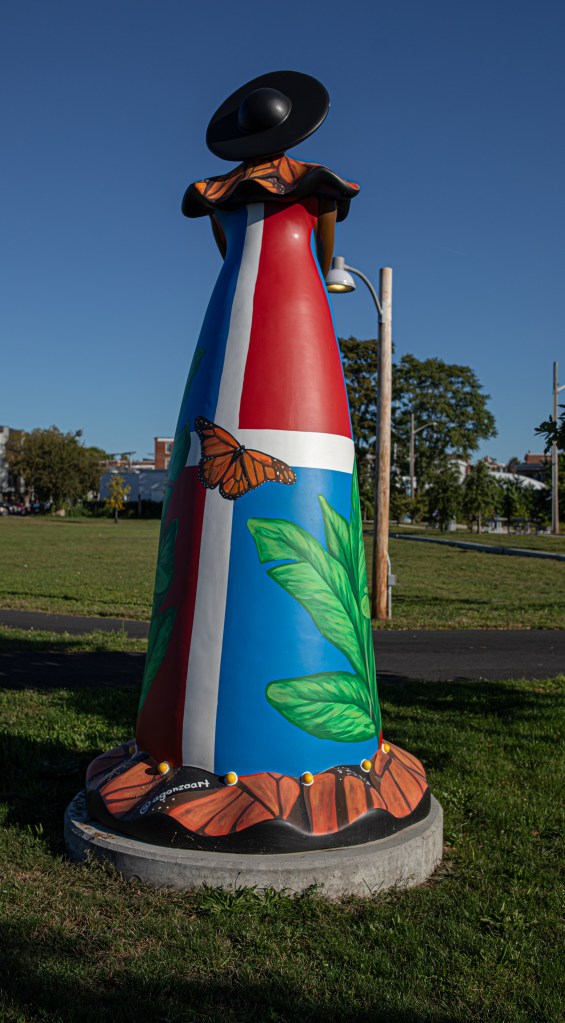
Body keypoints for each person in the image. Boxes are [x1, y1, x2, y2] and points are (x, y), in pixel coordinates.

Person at [87, 72, 430, 851]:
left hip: (236, 338)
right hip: (296, 332)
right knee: (277, 516)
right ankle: (285, 757)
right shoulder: (314, 190)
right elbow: (327, 241)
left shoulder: (221, 198)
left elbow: (222, 239)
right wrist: (318, 258)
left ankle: (184, 749)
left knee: (231, 519)